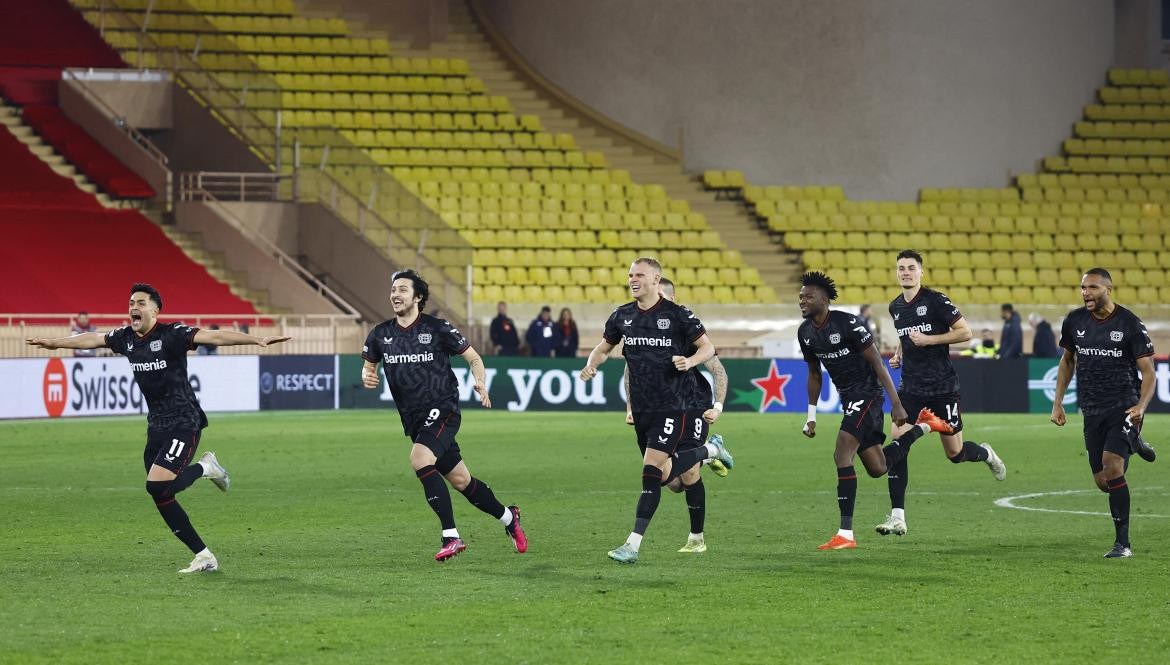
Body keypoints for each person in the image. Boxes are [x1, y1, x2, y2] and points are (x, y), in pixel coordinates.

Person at [26, 283, 290, 573]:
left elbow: (214, 335)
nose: (133, 308)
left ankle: (206, 470)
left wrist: (257, 340)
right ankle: (204, 553)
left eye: (140, 302)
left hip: (184, 422)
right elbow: (93, 339)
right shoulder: (126, 338)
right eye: (130, 303)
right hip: (157, 426)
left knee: (157, 485)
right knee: (161, 492)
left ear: (155, 310)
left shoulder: (172, 335)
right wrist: (56, 343)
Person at [361, 269, 527, 562]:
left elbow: (473, 357)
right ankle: (508, 517)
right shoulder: (380, 333)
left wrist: (480, 381)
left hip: (443, 409)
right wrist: (367, 375)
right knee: (462, 480)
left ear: (418, 297)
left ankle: (451, 536)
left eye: (402, 289)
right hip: (414, 419)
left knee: (420, 459)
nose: (395, 294)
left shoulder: (437, 328)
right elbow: (369, 365)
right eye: (393, 290)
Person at [579, 257, 734, 564]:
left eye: (639, 275)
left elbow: (710, 352)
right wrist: (592, 364)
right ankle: (710, 451)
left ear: (655, 280)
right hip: (645, 409)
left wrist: (692, 365)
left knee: (653, 474)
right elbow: (612, 353)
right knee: (670, 480)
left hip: (677, 407)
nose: (633, 279)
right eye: (630, 274)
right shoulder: (622, 315)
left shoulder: (678, 316)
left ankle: (634, 545)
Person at [797, 271, 952, 550]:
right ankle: (925, 426)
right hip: (848, 398)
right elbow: (814, 374)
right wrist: (811, 417)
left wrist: (895, 404)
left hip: (867, 394)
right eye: (800, 297)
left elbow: (879, 365)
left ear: (824, 299)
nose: (802, 301)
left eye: (808, 296)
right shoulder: (805, 333)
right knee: (878, 467)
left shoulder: (848, 324)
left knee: (841, 453)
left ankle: (845, 534)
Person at [877, 249, 1007, 537]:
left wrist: (929, 339)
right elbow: (906, 336)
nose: (906, 272)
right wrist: (900, 353)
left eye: (911, 267)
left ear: (921, 272)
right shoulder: (895, 307)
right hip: (910, 388)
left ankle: (985, 453)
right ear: (896, 272)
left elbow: (965, 333)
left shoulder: (935, 301)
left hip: (942, 388)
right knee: (898, 443)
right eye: (901, 268)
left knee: (956, 453)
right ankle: (898, 516)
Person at [1050, 268, 1157, 558]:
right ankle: (1135, 442)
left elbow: (1149, 372)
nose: (1086, 292)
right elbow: (1067, 361)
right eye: (1083, 287)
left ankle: (1123, 544)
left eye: (1092, 287)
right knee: (1103, 482)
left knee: (1113, 466)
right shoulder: (1074, 320)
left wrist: (1141, 406)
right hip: (1092, 407)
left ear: (1108, 289)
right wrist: (1057, 402)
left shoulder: (1129, 323)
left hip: (1124, 404)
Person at [622, 276, 729, 554]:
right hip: (659, 407)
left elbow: (718, 370)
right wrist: (631, 407)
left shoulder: (684, 329)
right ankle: (710, 451)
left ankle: (697, 539)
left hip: (693, 404)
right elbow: (631, 370)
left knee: (689, 473)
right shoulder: (644, 330)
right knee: (673, 482)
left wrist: (717, 407)